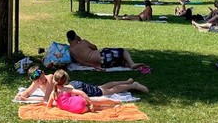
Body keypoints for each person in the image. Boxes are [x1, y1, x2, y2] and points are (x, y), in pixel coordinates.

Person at [15, 66, 149, 101]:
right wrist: (22, 95)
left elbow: (46, 99)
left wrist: (28, 97)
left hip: (76, 88)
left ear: (43, 73)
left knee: (107, 92)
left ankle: (133, 85)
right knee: (101, 87)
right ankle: (127, 81)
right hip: (75, 85)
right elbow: (26, 93)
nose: (40, 80)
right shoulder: (37, 83)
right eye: (37, 79)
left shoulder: (49, 79)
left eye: (41, 76)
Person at [66, 30, 149, 70]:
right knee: (123, 51)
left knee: (121, 62)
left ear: (68, 40)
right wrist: (80, 40)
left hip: (102, 64)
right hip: (103, 56)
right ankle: (132, 63)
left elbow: (81, 62)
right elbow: (95, 47)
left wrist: (92, 65)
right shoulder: (83, 42)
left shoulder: (71, 50)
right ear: (76, 36)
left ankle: (135, 66)